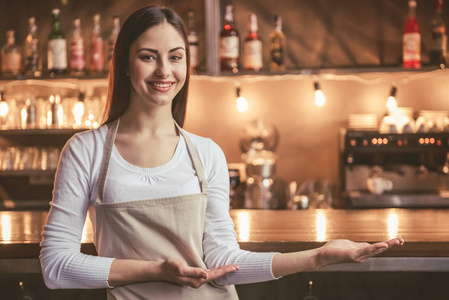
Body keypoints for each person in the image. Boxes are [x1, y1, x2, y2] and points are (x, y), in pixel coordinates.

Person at [39, 5, 404, 299]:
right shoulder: (86, 150)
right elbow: (56, 266)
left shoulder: (206, 153)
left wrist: (317, 257)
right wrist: (155, 270)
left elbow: (224, 260)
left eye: (176, 57)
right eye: (148, 57)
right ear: (124, 64)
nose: (164, 70)